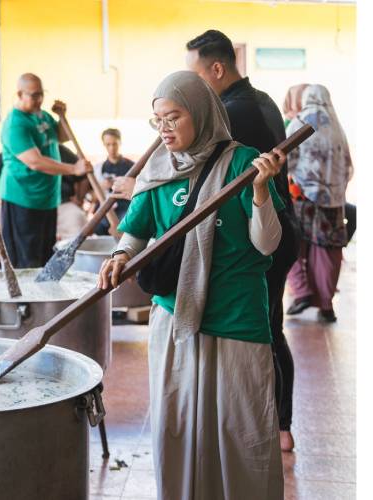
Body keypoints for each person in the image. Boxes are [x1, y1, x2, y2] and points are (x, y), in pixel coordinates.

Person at [97, 71, 286, 500]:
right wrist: (121, 255)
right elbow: (135, 231)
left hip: (236, 318)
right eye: (157, 120)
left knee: (240, 433)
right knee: (178, 428)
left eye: (173, 117)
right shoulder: (158, 169)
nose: (164, 129)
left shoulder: (242, 163)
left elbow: (266, 243)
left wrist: (259, 191)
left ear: (200, 114)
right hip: (176, 318)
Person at [186, 28, 299, 452]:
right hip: (280, 226)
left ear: (217, 69)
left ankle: (276, 426)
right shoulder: (260, 98)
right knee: (271, 325)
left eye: (196, 77)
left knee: (263, 330)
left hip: (267, 228)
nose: (194, 88)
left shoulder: (234, 112)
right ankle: (281, 423)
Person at [0, 73, 91, 268]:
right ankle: (24, 299)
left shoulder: (43, 115)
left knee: (44, 254)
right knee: (25, 258)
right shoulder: (15, 123)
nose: (39, 100)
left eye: (41, 94)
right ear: (19, 94)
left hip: (47, 199)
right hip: (22, 198)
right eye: (33, 95)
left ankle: (41, 297)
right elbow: (35, 162)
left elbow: (61, 136)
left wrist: (62, 117)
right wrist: (74, 168)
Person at [285, 84, 353, 324]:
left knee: (294, 245)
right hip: (333, 201)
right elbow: (347, 166)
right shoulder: (337, 128)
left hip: (302, 197)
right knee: (328, 251)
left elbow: (287, 161)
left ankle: (302, 293)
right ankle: (326, 304)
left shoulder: (298, 123)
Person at [93, 128, 134, 221]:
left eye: (114, 144)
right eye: (108, 144)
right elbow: (92, 198)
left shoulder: (133, 166)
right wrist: (101, 187)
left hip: (126, 209)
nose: (111, 148)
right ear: (104, 145)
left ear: (120, 143)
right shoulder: (98, 169)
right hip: (104, 209)